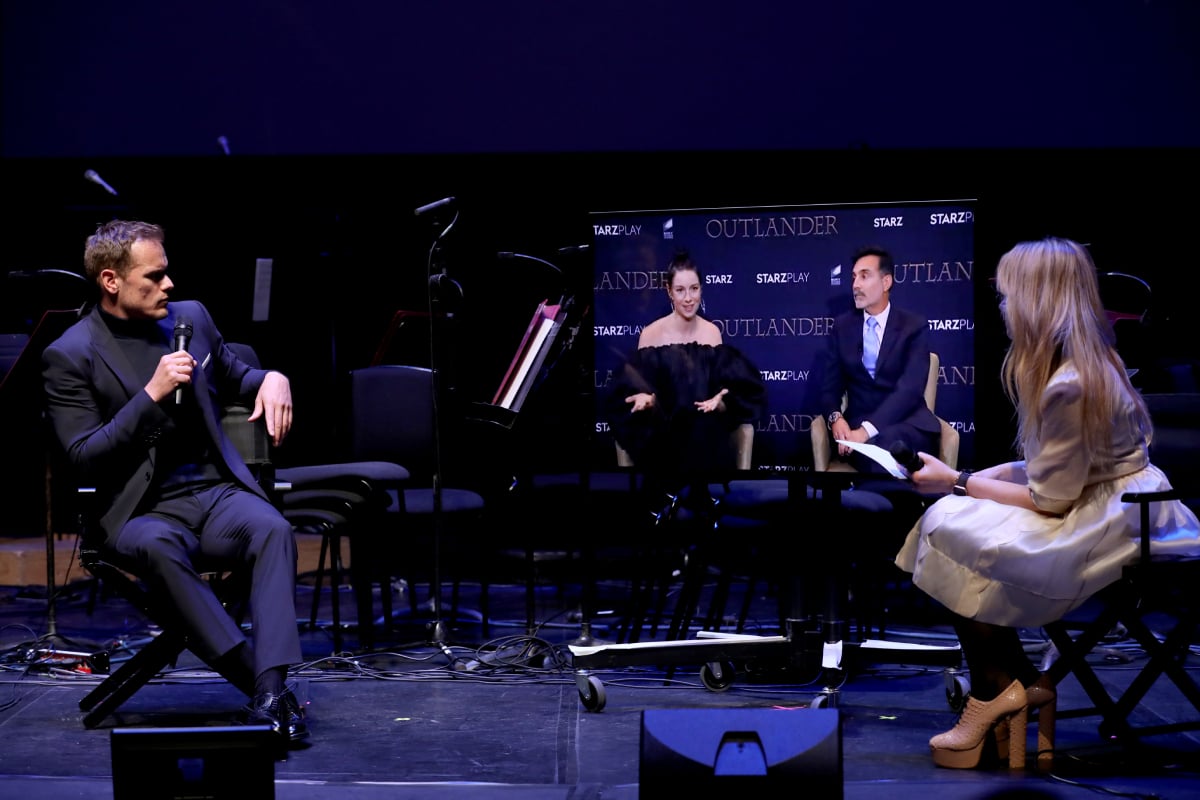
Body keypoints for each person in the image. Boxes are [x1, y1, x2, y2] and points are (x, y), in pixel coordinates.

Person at [896, 237, 1200, 769]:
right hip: (1113, 502)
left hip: (1121, 522)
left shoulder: (1071, 382)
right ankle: (1013, 686)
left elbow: (1052, 501)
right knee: (952, 518)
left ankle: (1001, 688)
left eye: (1009, 296)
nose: (1004, 308)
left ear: (1039, 300)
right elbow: (1060, 471)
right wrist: (974, 478)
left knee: (953, 525)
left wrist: (959, 480)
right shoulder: (1085, 358)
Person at [42, 220, 308, 745]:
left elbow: (238, 374)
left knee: (273, 529)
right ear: (112, 281)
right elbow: (82, 457)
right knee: (160, 545)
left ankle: (272, 691)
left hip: (216, 495)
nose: (169, 286)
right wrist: (150, 395)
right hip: (140, 511)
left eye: (168, 275)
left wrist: (274, 377)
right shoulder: (71, 354)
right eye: (155, 276)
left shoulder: (192, 319)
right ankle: (260, 684)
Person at [604, 250, 766, 502]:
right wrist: (646, 398)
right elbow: (635, 387)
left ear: (702, 289)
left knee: (700, 425)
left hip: (703, 427)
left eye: (694, 289)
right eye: (680, 290)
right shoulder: (650, 334)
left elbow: (728, 388)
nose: (689, 298)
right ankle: (672, 500)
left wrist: (721, 400)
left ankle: (689, 500)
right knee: (665, 430)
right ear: (669, 291)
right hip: (660, 428)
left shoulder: (712, 334)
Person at [815, 244, 941, 473]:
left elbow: (909, 390)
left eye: (864, 276)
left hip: (908, 424)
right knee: (876, 452)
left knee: (890, 447)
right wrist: (836, 419)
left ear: (886, 282)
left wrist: (865, 432)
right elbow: (829, 389)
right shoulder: (843, 327)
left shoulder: (913, 326)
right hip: (857, 430)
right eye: (853, 277)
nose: (855, 285)